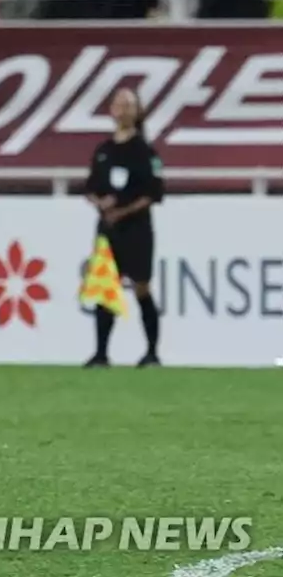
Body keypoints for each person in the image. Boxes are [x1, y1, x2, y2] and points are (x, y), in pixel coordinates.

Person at [84, 87, 164, 368]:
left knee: (141, 287)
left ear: (137, 111)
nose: (123, 108)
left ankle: (152, 352)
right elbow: (90, 187)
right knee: (106, 288)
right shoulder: (104, 151)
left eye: (129, 104)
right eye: (119, 103)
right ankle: (101, 353)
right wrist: (101, 203)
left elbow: (153, 192)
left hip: (137, 229)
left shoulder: (145, 151)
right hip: (108, 229)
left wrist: (123, 211)